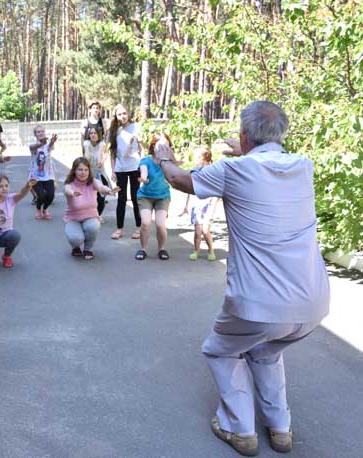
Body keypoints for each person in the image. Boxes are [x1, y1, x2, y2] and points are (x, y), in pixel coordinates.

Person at [155, 100, 330, 456]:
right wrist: (248, 151)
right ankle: (280, 429)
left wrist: (164, 156)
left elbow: (177, 178)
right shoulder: (303, 166)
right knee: (265, 352)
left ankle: (240, 429)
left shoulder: (233, 170)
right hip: (313, 303)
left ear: (244, 135)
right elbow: (268, 166)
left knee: (221, 351)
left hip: (258, 304)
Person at [63, 157, 120, 260]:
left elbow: (101, 188)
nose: (83, 173)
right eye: (80, 169)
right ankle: (75, 246)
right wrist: (72, 193)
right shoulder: (69, 184)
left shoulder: (93, 181)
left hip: (90, 216)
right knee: (76, 239)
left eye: (86, 170)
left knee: (93, 227)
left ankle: (87, 249)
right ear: (74, 170)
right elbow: (67, 190)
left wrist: (109, 191)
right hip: (73, 219)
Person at [135, 133, 174, 261]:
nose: (163, 148)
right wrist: (144, 179)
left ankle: (161, 249)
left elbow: (175, 174)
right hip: (145, 196)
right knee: (145, 222)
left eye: (166, 145)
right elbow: (144, 172)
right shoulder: (146, 161)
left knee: (160, 224)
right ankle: (143, 249)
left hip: (162, 196)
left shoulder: (169, 162)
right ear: (153, 145)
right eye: (160, 145)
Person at [108, 104, 142, 240]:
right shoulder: (114, 131)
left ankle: (139, 228)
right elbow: (112, 153)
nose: (122, 116)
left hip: (135, 167)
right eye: (119, 114)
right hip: (120, 168)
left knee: (135, 198)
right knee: (121, 199)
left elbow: (142, 148)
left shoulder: (136, 127)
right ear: (116, 116)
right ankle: (119, 229)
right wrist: (113, 170)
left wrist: (143, 166)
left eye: (124, 113)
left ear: (128, 113)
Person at [180, 146, 218, 261]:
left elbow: (216, 192)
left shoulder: (212, 172)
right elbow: (190, 189)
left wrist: (212, 209)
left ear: (204, 158)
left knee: (205, 230)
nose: (195, 160)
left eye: (197, 157)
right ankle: (196, 250)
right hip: (197, 205)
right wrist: (186, 205)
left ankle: (211, 250)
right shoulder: (195, 171)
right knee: (197, 231)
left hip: (208, 205)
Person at [29, 126, 57, 220]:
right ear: (35, 134)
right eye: (38, 132)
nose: (41, 133)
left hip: (48, 175)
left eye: (42, 131)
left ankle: (45, 209)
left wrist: (52, 141)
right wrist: (41, 143)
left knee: (51, 195)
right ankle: (38, 209)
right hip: (36, 176)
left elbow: (50, 146)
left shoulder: (48, 144)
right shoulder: (32, 145)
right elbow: (34, 147)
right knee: (40, 196)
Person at [82, 127, 110, 218]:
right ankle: (90, 214)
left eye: (95, 133)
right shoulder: (86, 143)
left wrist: (101, 161)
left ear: (99, 135)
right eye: (91, 133)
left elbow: (100, 154)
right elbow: (87, 156)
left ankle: (98, 215)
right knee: (90, 196)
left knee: (101, 196)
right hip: (89, 175)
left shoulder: (102, 144)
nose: (93, 135)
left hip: (100, 173)